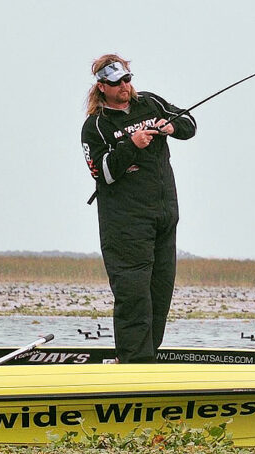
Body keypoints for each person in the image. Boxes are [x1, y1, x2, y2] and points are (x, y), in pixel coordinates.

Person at [80, 54, 197, 363]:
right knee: (134, 298)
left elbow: (190, 124)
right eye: (118, 83)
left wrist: (171, 128)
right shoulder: (96, 126)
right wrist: (133, 144)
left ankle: (146, 360)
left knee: (159, 297)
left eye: (128, 79)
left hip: (163, 217)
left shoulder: (151, 103)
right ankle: (133, 364)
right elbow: (102, 173)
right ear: (103, 87)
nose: (126, 86)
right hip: (125, 226)